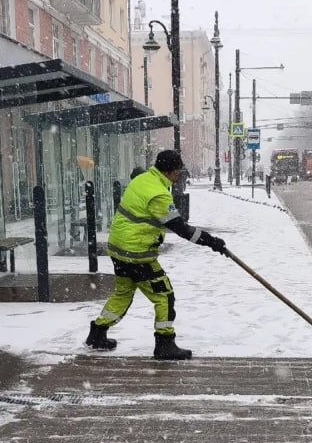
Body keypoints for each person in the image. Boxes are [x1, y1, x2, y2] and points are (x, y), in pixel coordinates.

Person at [85, 150, 226, 360]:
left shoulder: (144, 179)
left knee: (123, 293)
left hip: (118, 249)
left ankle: (97, 333)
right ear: (169, 171)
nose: (180, 175)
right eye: (178, 171)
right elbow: (180, 228)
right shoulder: (158, 194)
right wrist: (210, 241)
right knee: (164, 296)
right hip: (137, 254)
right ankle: (165, 344)